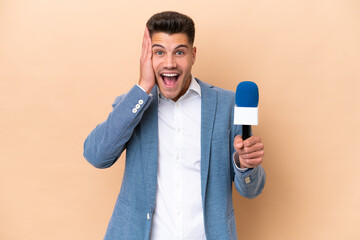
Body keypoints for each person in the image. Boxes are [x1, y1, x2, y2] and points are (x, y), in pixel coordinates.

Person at [83, 11, 265, 240]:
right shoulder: (133, 105)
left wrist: (244, 164)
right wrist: (143, 87)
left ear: (193, 55)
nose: (169, 63)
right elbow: (96, 156)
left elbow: (251, 189)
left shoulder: (227, 105)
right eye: (159, 52)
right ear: (147, 58)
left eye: (179, 52)